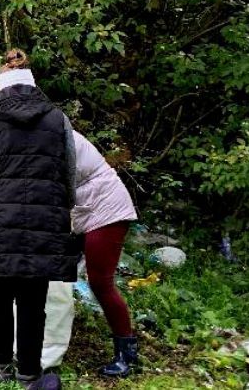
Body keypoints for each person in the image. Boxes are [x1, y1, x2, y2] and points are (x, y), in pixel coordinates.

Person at [0, 50, 77, 390]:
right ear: (33, 85)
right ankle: (29, 372)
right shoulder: (58, 118)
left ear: (2, 86)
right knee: (34, 300)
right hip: (44, 218)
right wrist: (61, 206)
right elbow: (69, 171)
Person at [72, 131, 139, 377]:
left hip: (105, 207)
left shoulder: (56, 134)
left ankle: (126, 352)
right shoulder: (43, 132)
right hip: (82, 208)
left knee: (100, 282)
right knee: (58, 270)